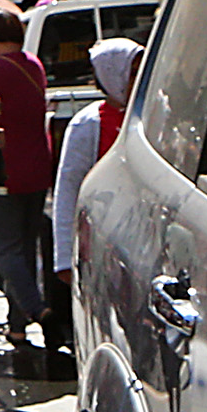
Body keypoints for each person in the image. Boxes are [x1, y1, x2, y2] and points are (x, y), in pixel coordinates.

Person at [0, 6, 57, 350]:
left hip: (2, 170)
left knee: (4, 251)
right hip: (37, 167)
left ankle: (38, 312)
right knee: (25, 247)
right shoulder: (33, 65)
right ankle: (16, 326)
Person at [45, 38, 142, 356]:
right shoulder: (89, 124)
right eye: (132, 73)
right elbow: (68, 188)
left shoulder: (152, 116)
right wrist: (64, 255)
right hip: (99, 241)